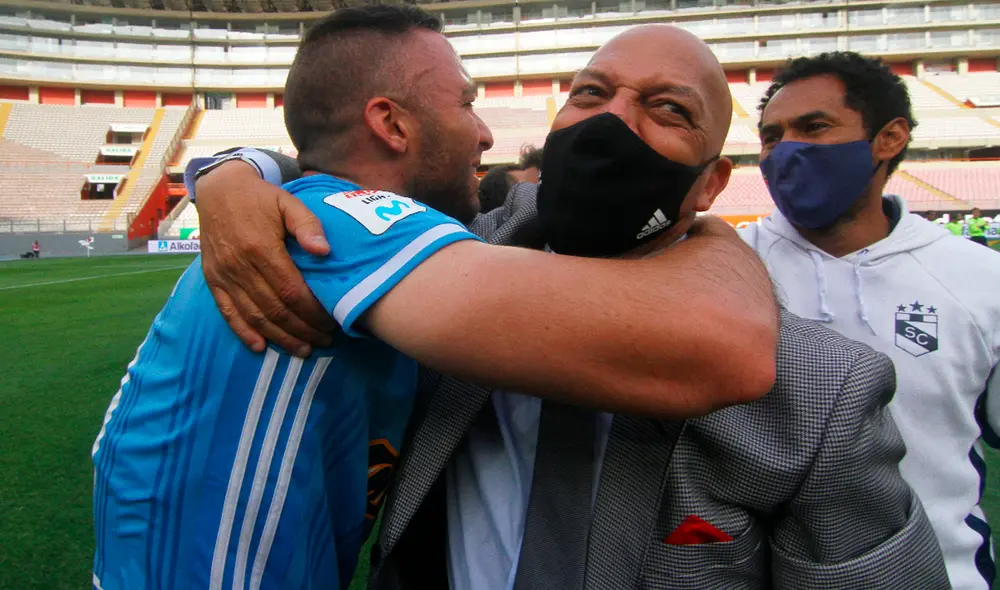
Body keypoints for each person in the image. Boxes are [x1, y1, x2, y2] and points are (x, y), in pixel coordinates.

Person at [190, 25, 948, 589]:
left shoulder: (822, 394)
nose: (611, 122)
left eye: (667, 110)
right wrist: (229, 174)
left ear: (713, 184)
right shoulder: (447, 254)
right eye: (591, 93)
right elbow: (340, 159)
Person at [92, 9, 780, 590]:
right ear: (392, 125)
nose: (485, 134)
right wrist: (715, 231)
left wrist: (233, 167)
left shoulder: (320, 218)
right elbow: (728, 350)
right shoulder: (340, 228)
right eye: (466, 103)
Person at [748, 51, 1000, 590]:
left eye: (814, 127)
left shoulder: (983, 280)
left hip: (934, 573)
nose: (786, 149)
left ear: (889, 139)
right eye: (772, 136)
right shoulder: (723, 263)